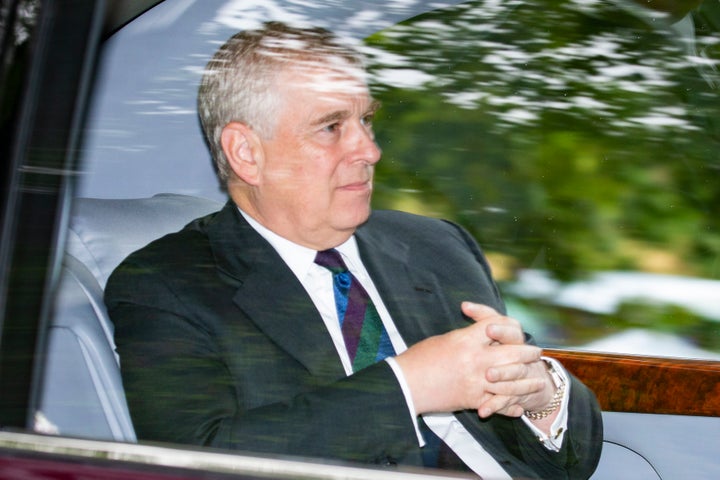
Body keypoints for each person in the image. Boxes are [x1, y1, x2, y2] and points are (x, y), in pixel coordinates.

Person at [105, 21, 602, 479]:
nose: (368, 150)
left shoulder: (436, 245)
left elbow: (569, 462)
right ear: (247, 153)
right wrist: (409, 386)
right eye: (331, 127)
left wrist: (542, 394)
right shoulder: (169, 285)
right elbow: (197, 462)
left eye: (366, 121)